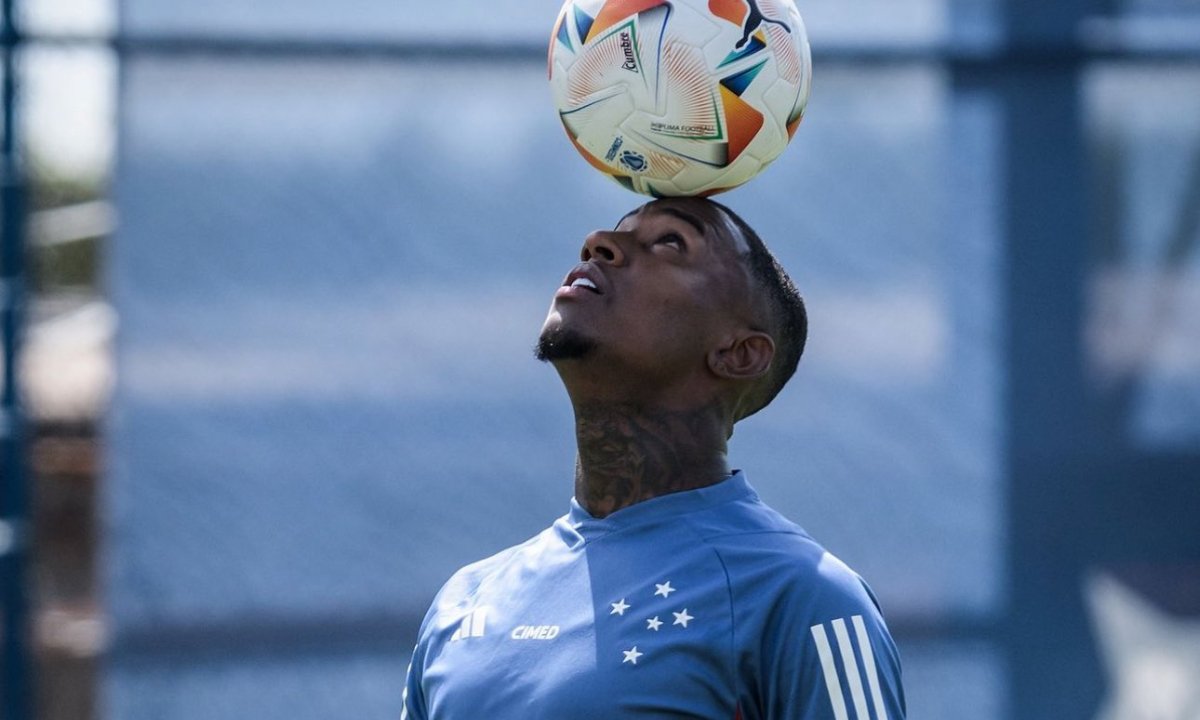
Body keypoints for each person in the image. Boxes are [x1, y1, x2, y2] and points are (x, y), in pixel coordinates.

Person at [401, 197, 906, 720]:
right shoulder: (466, 601)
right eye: (614, 232)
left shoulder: (802, 597)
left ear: (739, 353)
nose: (598, 243)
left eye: (670, 242)